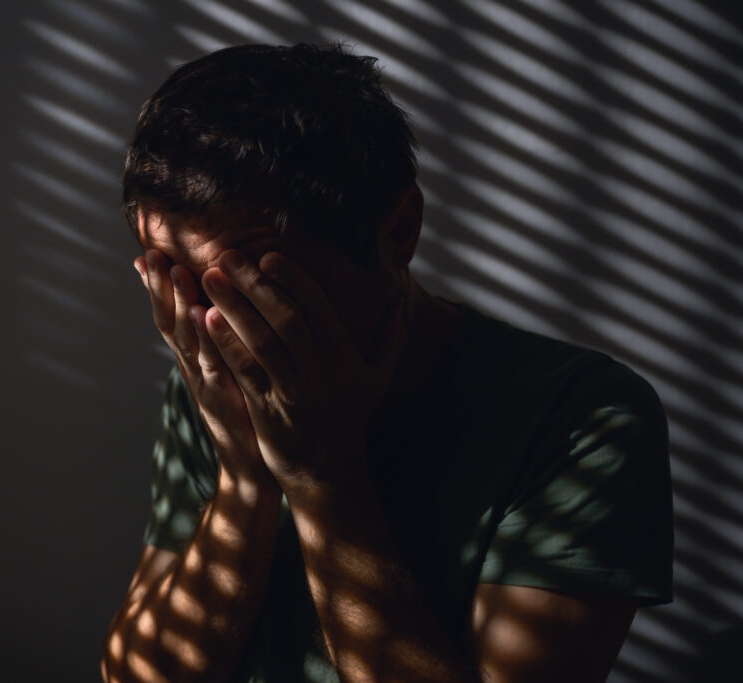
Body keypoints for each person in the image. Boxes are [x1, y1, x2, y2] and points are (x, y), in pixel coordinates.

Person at [101, 43, 673, 683]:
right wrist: (245, 479)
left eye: (253, 287)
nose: (216, 329)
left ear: (400, 233)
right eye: (177, 284)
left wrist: (321, 476)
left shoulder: (579, 419)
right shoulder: (212, 381)